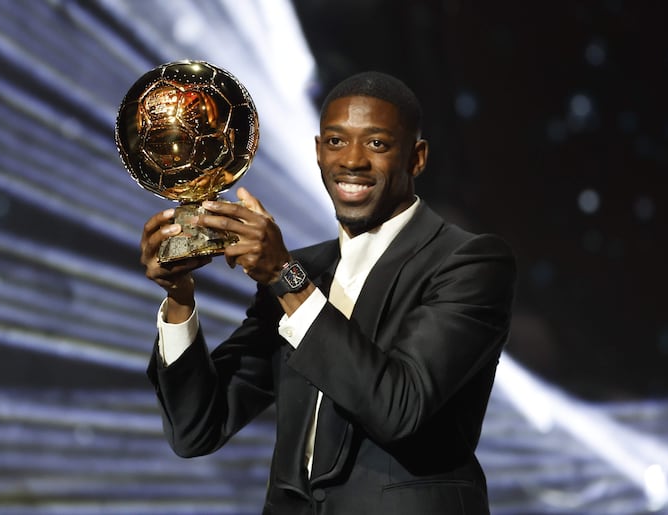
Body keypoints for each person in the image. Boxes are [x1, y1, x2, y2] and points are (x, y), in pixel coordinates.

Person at [141, 71, 516, 514]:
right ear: (318, 152)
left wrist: (284, 273)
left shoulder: (468, 263)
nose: (352, 161)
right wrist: (180, 298)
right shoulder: (305, 271)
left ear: (416, 158)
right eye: (336, 142)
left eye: (376, 144)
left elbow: (400, 408)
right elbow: (196, 429)